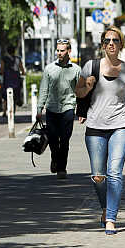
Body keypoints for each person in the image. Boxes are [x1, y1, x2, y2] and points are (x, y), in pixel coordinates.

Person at [75, 26, 125, 235]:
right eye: (107, 40)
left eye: (115, 40)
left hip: (122, 126)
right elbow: (78, 92)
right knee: (98, 176)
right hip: (95, 126)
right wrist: (86, 88)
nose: (111, 43)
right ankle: (105, 208)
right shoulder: (90, 66)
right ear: (103, 45)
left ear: (121, 44)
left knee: (114, 172)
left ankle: (111, 218)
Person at [36, 39, 81, 179]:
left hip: (68, 108)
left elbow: (80, 92)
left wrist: (81, 111)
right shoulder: (49, 69)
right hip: (52, 109)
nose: (59, 53)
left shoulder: (76, 70)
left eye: (62, 50)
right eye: (58, 50)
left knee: (65, 140)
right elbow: (44, 89)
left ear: (68, 51)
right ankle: (54, 159)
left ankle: (62, 168)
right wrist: (39, 109)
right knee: (53, 139)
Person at [0, 45, 25, 114]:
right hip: (16, 80)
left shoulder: (4, 59)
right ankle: (13, 110)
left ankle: (4, 111)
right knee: (16, 94)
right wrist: (22, 73)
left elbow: (1, 70)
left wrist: (1, 73)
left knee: (5, 95)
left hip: (7, 80)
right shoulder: (18, 59)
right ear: (14, 51)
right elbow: (22, 70)